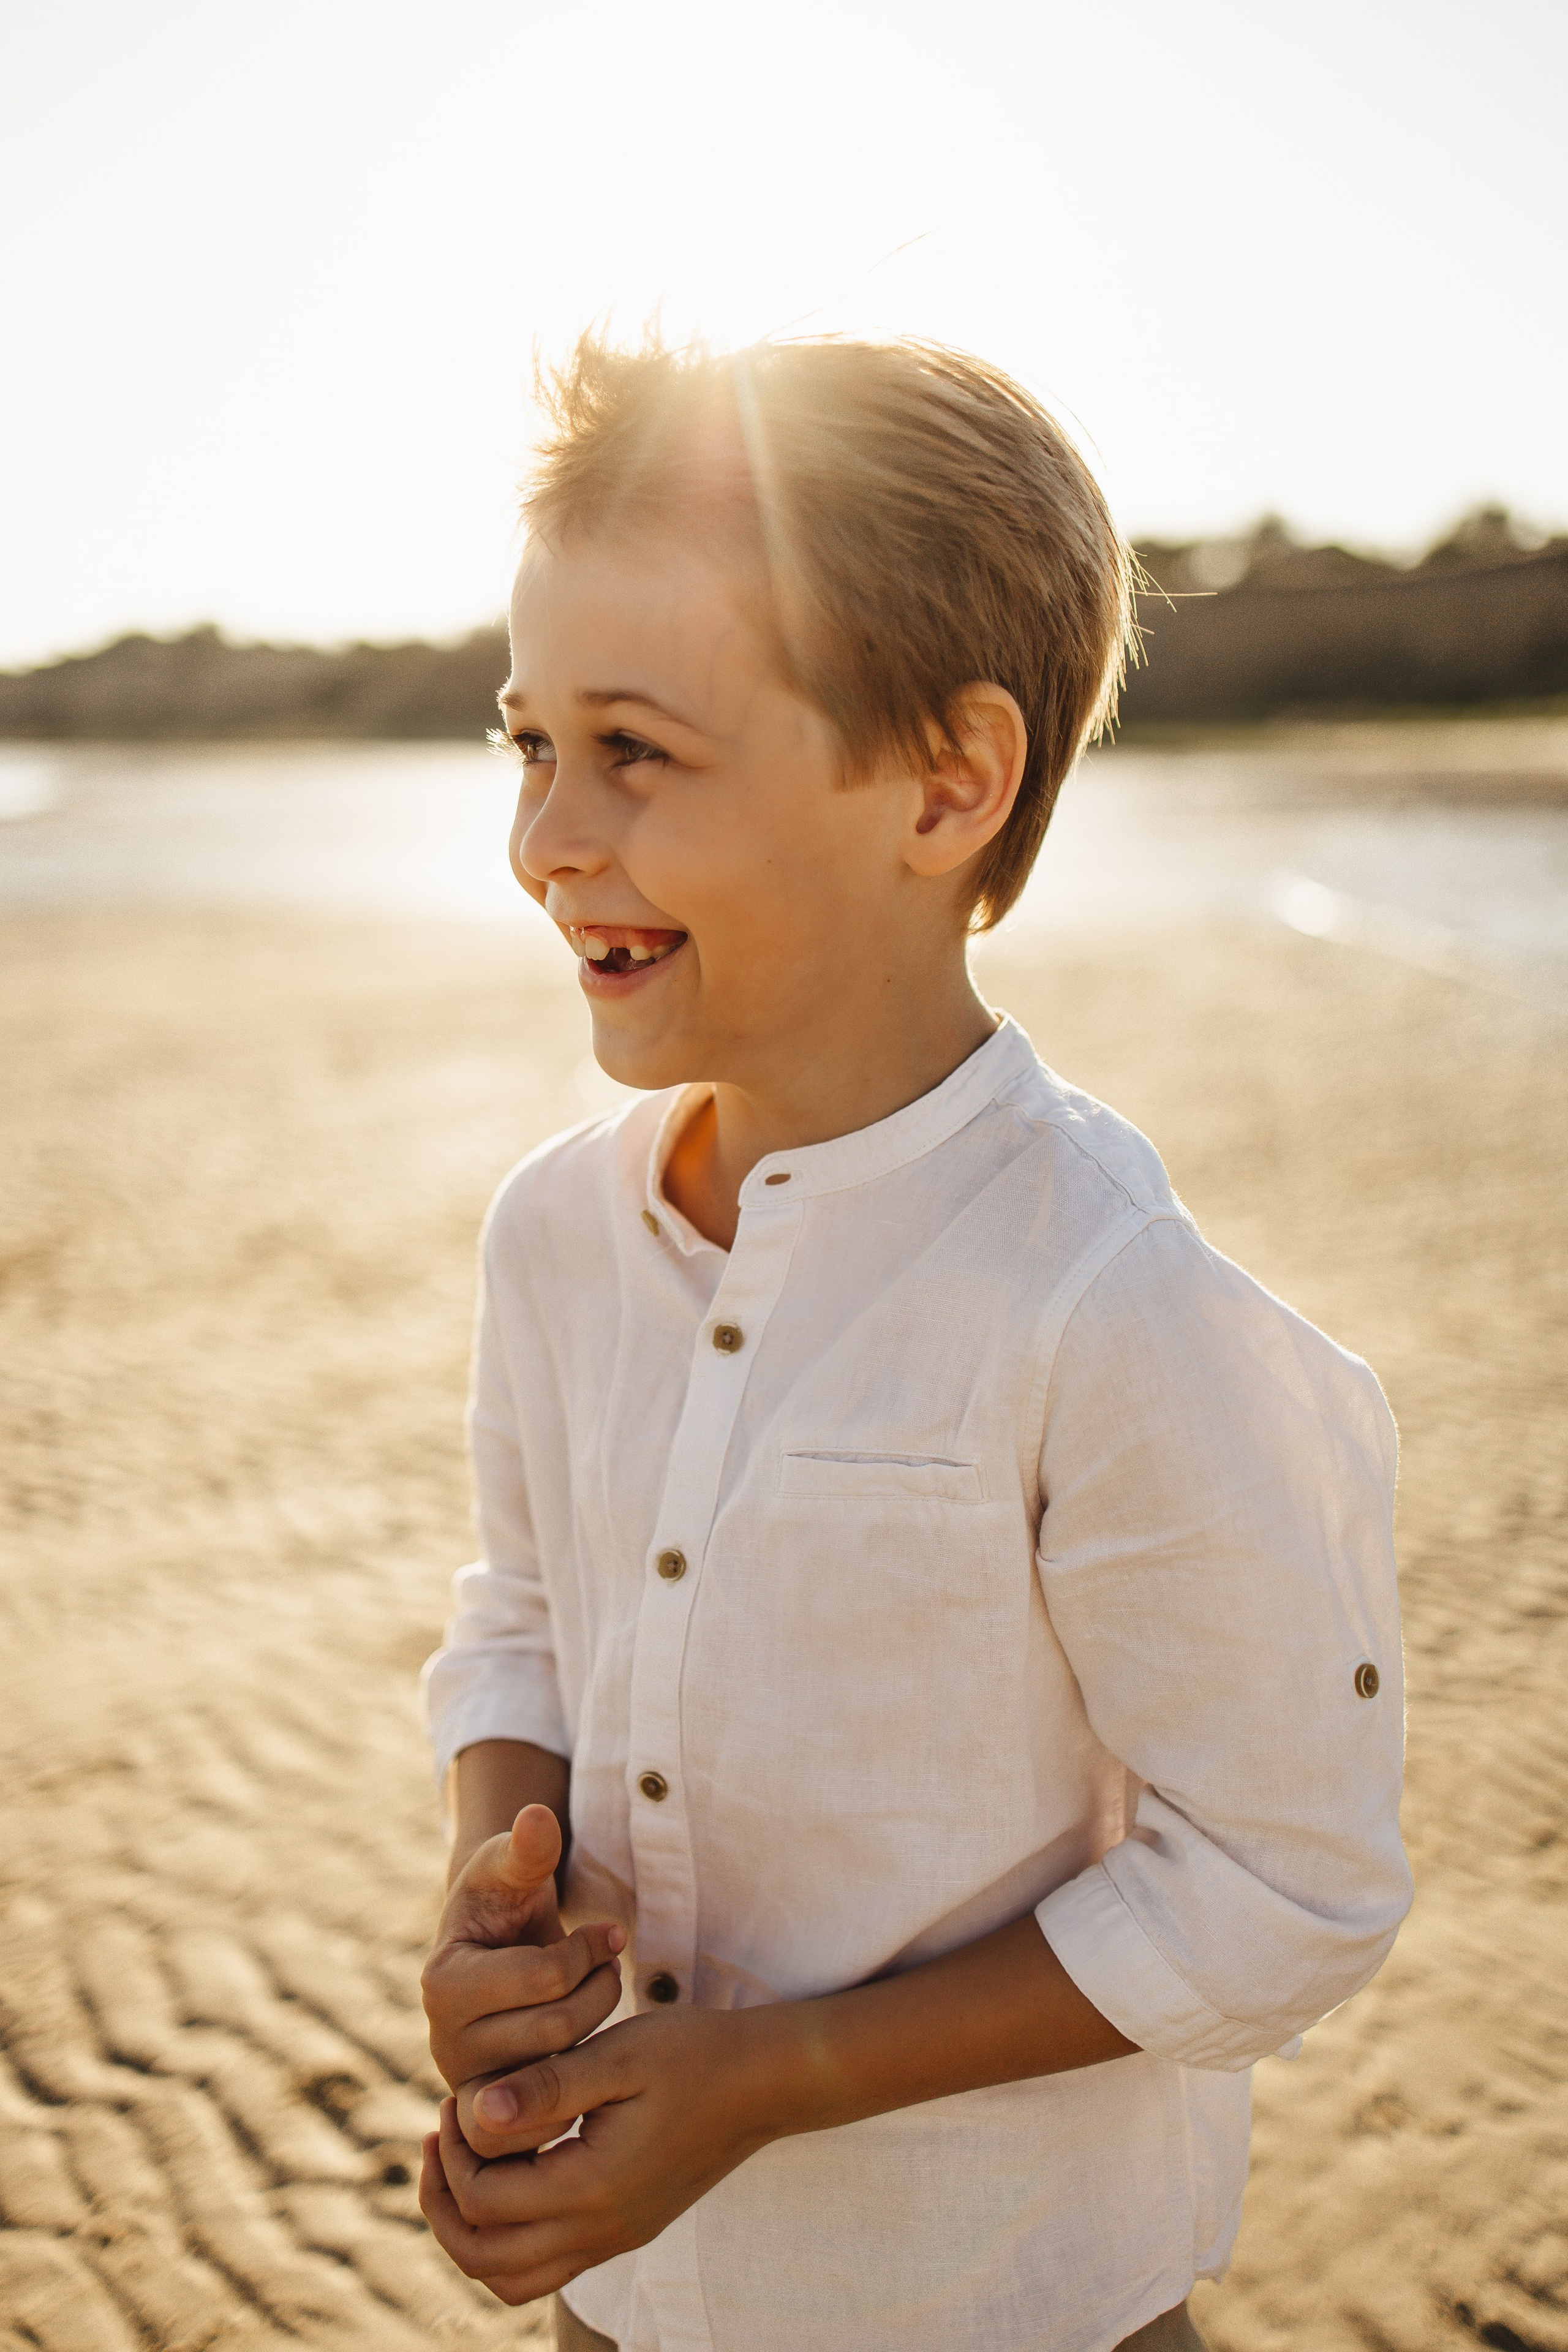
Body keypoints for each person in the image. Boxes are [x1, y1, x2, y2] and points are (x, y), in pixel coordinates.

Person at [415, 334, 1411, 2352]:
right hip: (628, 2299)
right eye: (530, 744)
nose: (546, 839)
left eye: (639, 750)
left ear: (946, 783)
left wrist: (773, 2079)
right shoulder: (554, 1238)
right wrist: (495, 1893)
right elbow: (526, 1613)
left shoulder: (1104, 1302)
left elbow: (1285, 1886)